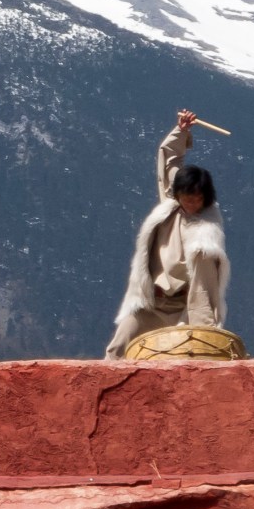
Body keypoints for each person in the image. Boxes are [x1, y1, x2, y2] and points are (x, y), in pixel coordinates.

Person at [106, 109, 230, 357]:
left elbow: (204, 287)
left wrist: (206, 330)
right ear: (178, 195)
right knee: (118, 349)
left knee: (190, 357)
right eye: (187, 197)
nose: (192, 203)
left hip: (185, 307)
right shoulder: (171, 207)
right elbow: (170, 160)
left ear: (205, 198)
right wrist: (182, 130)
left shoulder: (207, 233)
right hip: (151, 302)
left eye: (197, 199)